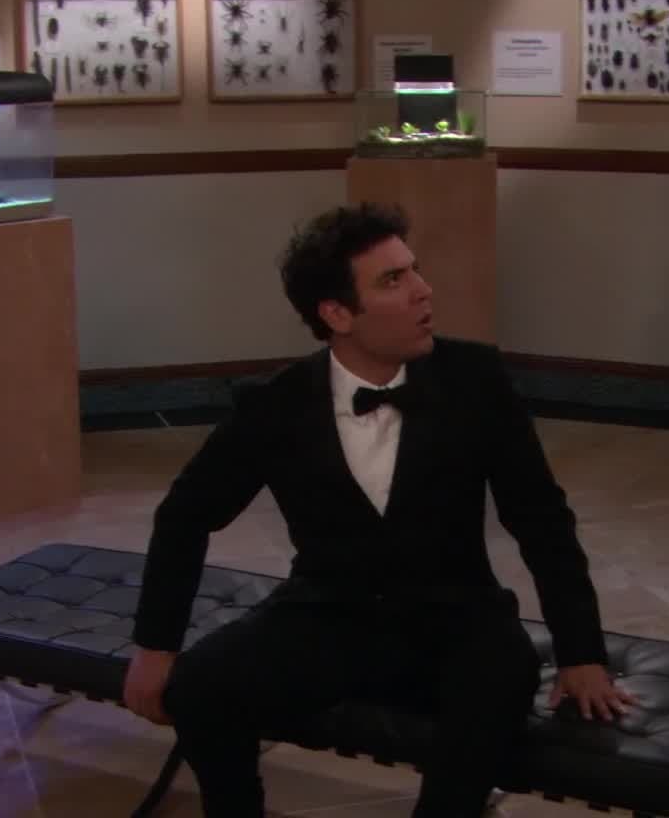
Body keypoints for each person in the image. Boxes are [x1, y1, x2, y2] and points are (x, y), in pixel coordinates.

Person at [121, 202, 634, 817]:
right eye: (393, 280)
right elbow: (185, 515)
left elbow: (541, 518)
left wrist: (581, 653)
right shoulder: (276, 404)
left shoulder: (475, 379)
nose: (423, 290)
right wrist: (156, 646)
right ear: (337, 314)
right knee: (202, 685)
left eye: (415, 270)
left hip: (458, 620)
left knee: (500, 683)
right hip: (329, 614)